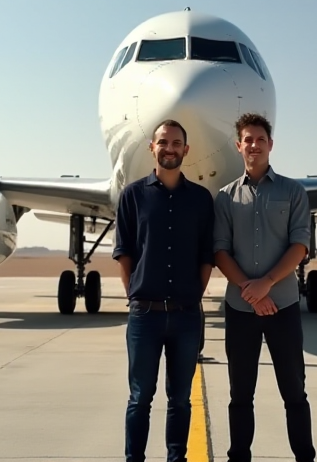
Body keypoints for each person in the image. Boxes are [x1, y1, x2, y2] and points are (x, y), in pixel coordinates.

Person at [213, 112, 316, 462]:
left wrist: (266, 284)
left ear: (270, 144)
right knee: (240, 394)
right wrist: (249, 289)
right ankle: (238, 457)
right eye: (248, 139)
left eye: (260, 139)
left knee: (294, 392)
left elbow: (300, 246)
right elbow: (220, 251)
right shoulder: (225, 197)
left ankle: (305, 457)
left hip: (283, 306)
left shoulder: (294, 191)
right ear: (238, 145)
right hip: (242, 309)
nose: (254, 145)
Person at [112, 119, 215, 462]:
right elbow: (124, 251)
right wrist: (135, 295)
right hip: (145, 315)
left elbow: (206, 256)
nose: (169, 148)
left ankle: (176, 459)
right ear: (151, 148)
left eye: (176, 143)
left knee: (180, 399)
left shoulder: (201, 200)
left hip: (185, 316)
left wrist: (192, 296)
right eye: (163, 142)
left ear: (186, 150)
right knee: (140, 397)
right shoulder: (133, 196)